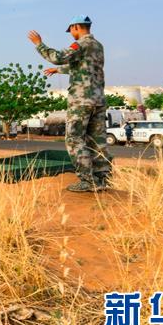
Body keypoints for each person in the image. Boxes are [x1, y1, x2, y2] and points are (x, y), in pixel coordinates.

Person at [28, 15, 112, 192]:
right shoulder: (98, 46)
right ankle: (102, 179)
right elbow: (82, 67)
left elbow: (58, 56)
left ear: (76, 27)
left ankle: (88, 181)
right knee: (97, 140)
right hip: (98, 100)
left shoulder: (81, 44)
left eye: (71, 31)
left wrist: (39, 44)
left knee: (74, 138)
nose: (71, 34)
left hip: (81, 100)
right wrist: (58, 71)